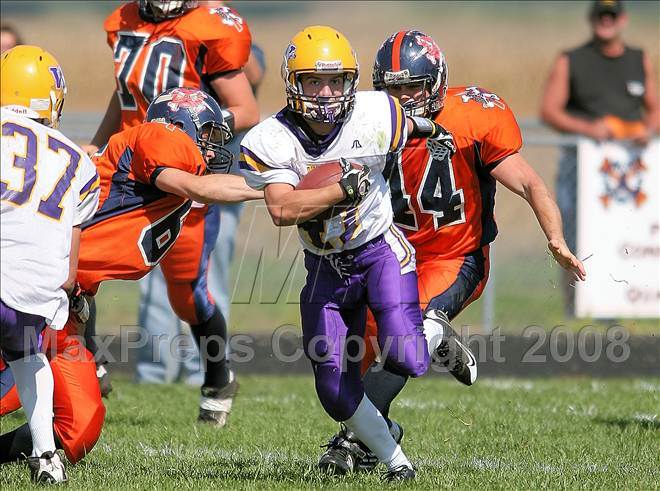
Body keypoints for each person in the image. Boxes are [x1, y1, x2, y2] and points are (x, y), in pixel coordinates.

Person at [317, 29, 588, 474]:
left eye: (413, 86)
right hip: (390, 256)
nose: (404, 98)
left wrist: (554, 236)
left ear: (436, 81)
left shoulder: (474, 117)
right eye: (393, 88)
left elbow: (530, 183)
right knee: (357, 358)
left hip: (454, 257)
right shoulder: (366, 122)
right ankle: (380, 426)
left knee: (410, 331)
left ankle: (350, 442)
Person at [240, 25, 462, 481]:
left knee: (407, 356)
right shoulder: (273, 139)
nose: (326, 92)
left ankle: (434, 334)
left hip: (380, 252)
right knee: (335, 392)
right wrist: (341, 188)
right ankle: (397, 463)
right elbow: (282, 209)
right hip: (325, 268)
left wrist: (434, 129)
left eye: (337, 81)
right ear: (292, 83)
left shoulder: (375, 113)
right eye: (314, 81)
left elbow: (413, 121)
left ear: (352, 82)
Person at [83, 1, 260, 427]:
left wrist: (198, 125)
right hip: (127, 175)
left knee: (187, 296)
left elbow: (248, 109)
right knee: (79, 260)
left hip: (179, 175)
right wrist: (99, 141)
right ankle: (87, 362)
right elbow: (125, 91)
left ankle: (219, 376)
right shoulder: (126, 21)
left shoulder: (206, 28)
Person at [136, 43, 266, 387]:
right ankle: (148, 374)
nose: (210, 144)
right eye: (203, 135)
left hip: (188, 198)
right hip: (147, 199)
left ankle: (205, 375)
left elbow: (254, 78)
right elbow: (198, 188)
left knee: (197, 289)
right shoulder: (140, 35)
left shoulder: (215, 33)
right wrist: (273, 188)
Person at [1, 45, 101, 484]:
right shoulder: (78, 160)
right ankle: (45, 458)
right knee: (28, 357)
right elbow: (69, 266)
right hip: (34, 295)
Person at [541, 0, 659, 316]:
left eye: (612, 15)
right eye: (600, 15)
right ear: (592, 19)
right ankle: (574, 309)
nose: (605, 21)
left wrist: (648, 129)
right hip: (582, 166)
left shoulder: (638, 59)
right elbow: (549, 109)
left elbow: (655, 107)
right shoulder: (572, 60)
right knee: (576, 237)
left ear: (622, 19)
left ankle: (623, 305)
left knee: (627, 236)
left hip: (631, 173)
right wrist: (588, 128)